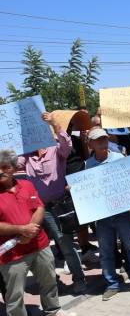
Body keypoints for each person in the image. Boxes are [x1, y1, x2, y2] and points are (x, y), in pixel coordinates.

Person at [17, 112, 87, 294]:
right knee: (41, 248)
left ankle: (79, 279)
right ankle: (50, 282)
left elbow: (67, 143)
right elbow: (13, 163)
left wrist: (54, 123)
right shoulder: (27, 156)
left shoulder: (56, 149)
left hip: (58, 206)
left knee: (66, 245)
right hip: (38, 209)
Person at [0, 149, 76, 316]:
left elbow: (39, 207)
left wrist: (29, 231)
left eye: (5, 167)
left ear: (13, 168)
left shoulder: (26, 184)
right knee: (14, 293)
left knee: (48, 281)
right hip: (12, 253)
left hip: (39, 244)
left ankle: (53, 310)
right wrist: (21, 230)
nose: (1, 171)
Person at [85, 127, 130, 301]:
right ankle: (111, 283)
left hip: (123, 212)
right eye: (98, 140)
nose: (102, 142)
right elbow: (88, 189)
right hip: (103, 216)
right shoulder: (88, 164)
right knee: (106, 251)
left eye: (104, 138)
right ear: (90, 144)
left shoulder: (120, 158)